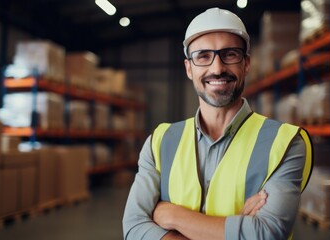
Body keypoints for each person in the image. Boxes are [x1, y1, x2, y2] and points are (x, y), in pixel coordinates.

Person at [123, 7, 313, 240]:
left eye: (230, 54)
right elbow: (134, 228)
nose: (217, 68)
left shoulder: (285, 143)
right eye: (203, 56)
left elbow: (267, 234)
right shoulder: (160, 142)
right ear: (188, 68)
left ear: (246, 63)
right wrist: (237, 228)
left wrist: (172, 215)